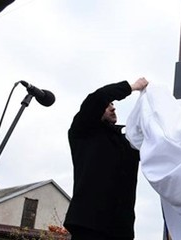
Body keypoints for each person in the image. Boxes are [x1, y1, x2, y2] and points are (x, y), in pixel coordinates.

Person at [64, 78, 149, 240]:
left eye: (112, 104)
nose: (113, 107)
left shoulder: (127, 141)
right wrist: (132, 87)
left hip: (120, 228)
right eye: (108, 104)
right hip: (89, 224)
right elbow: (97, 97)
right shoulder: (83, 131)